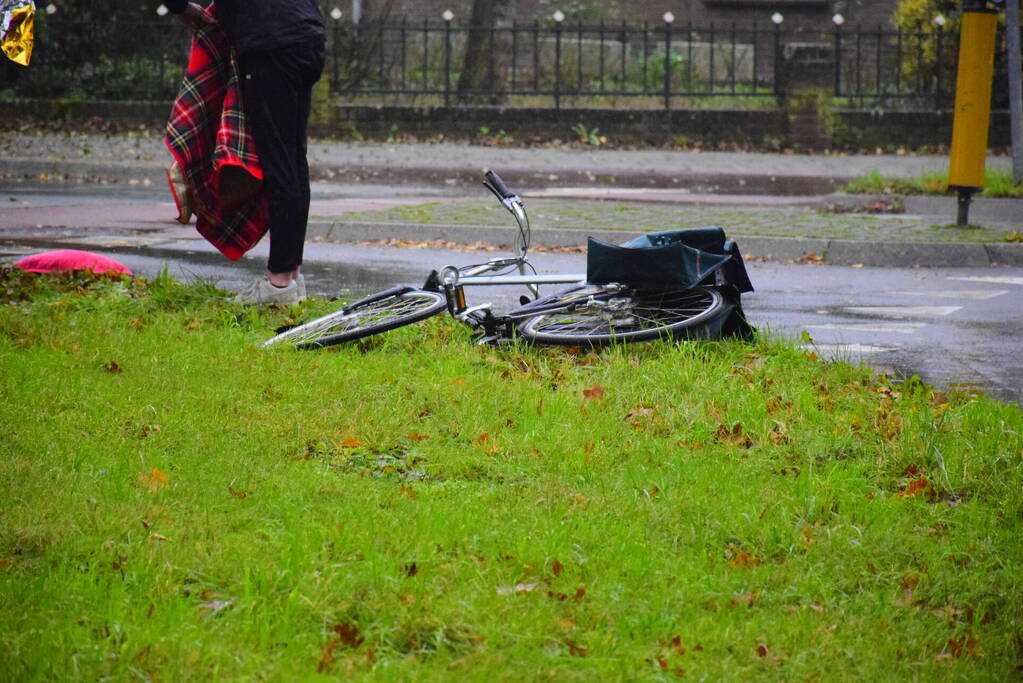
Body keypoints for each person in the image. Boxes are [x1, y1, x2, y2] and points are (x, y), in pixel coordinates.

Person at [166, 0, 326, 305]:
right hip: (307, 34)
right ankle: (290, 277)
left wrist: (179, 7)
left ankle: (278, 284)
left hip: (270, 41)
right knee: (293, 159)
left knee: (279, 161)